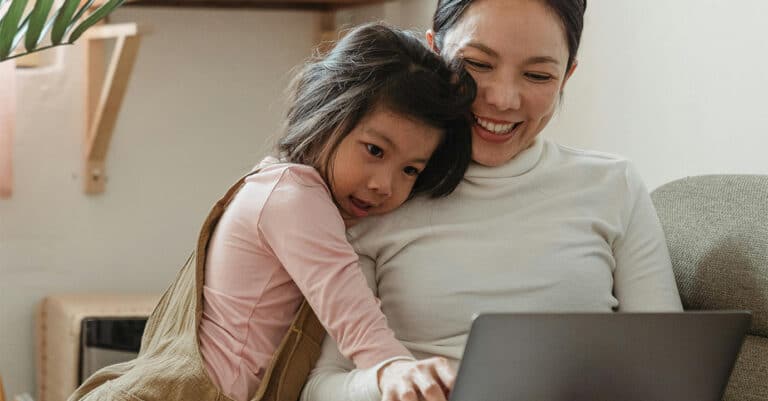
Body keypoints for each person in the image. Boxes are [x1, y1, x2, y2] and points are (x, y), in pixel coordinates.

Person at [68, 23, 475, 401]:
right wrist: (395, 368)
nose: (383, 184)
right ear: (327, 114)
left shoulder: (279, 187)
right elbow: (351, 312)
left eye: (410, 170)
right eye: (374, 150)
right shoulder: (295, 198)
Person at [300, 1, 684, 401]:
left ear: (567, 75)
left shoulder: (614, 186)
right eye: (478, 65)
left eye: (537, 75)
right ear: (434, 54)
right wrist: (388, 384)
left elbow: (673, 370)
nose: (502, 99)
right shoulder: (379, 195)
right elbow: (318, 387)